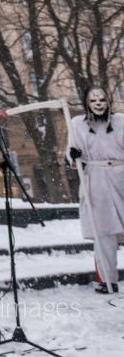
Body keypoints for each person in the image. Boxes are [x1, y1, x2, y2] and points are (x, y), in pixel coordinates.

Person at [68, 87, 124, 294]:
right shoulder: (76, 124)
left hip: (121, 177)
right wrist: (74, 156)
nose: (99, 103)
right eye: (94, 100)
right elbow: (72, 156)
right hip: (96, 181)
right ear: (87, 103)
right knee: (104, 234)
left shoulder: (121, 121)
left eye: (102, 99)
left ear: (108, 101)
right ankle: (108, 280)